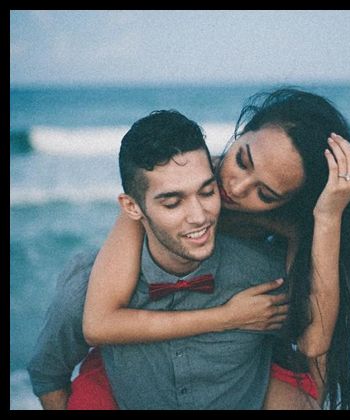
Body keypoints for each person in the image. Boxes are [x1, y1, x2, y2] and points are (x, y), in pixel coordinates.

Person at [79, 88, 350, 410]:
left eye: (265, 194)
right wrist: (228, 317)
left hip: (246, 358)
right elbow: (98, 323)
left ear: (288, 202)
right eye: (242, 160)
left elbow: (313, 345)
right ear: (242, 132)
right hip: (154, 355)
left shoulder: (292, 224)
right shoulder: (174, 185)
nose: (236, 188)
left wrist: (328, 216)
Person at [28, 109, 296, 410]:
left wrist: (322, 219)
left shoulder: (265, 276)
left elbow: (316, 353)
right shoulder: (87, 294)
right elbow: (48, 376)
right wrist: (227, 318)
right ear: (132, 208)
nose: (198, 216)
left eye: (207, 192)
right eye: (172, 203)